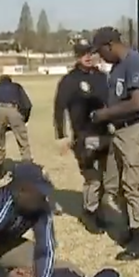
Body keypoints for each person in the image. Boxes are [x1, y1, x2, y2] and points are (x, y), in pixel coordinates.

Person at [90, 26, 139, 261]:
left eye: (100, 51)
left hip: (136, 129)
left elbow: (137, 102)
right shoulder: (118, 67)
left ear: (110, 44)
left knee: (134, 185)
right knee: (121, 185)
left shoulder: (134, 62)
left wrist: (105, 115)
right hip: (122, 131)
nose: (100, 57)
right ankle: (133, 229)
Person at [53, 34, 116, 235]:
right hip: (83, 136)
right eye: (82, 54)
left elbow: (112, 103)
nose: (87, 57)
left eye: (90, 53)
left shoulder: (101, 77)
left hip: (105, 133)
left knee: (108, 178)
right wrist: (61, 135)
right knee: (92, 177)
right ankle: (89, 213)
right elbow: (59, 108)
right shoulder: (69, 81)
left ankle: (98, 211)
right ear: (76, 57)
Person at [0, 75, 33, 178]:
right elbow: (28, 105)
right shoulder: (17, 87)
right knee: (23, 142)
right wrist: (24, 119)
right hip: (14, 110)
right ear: (11, 81)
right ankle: (27, 167)